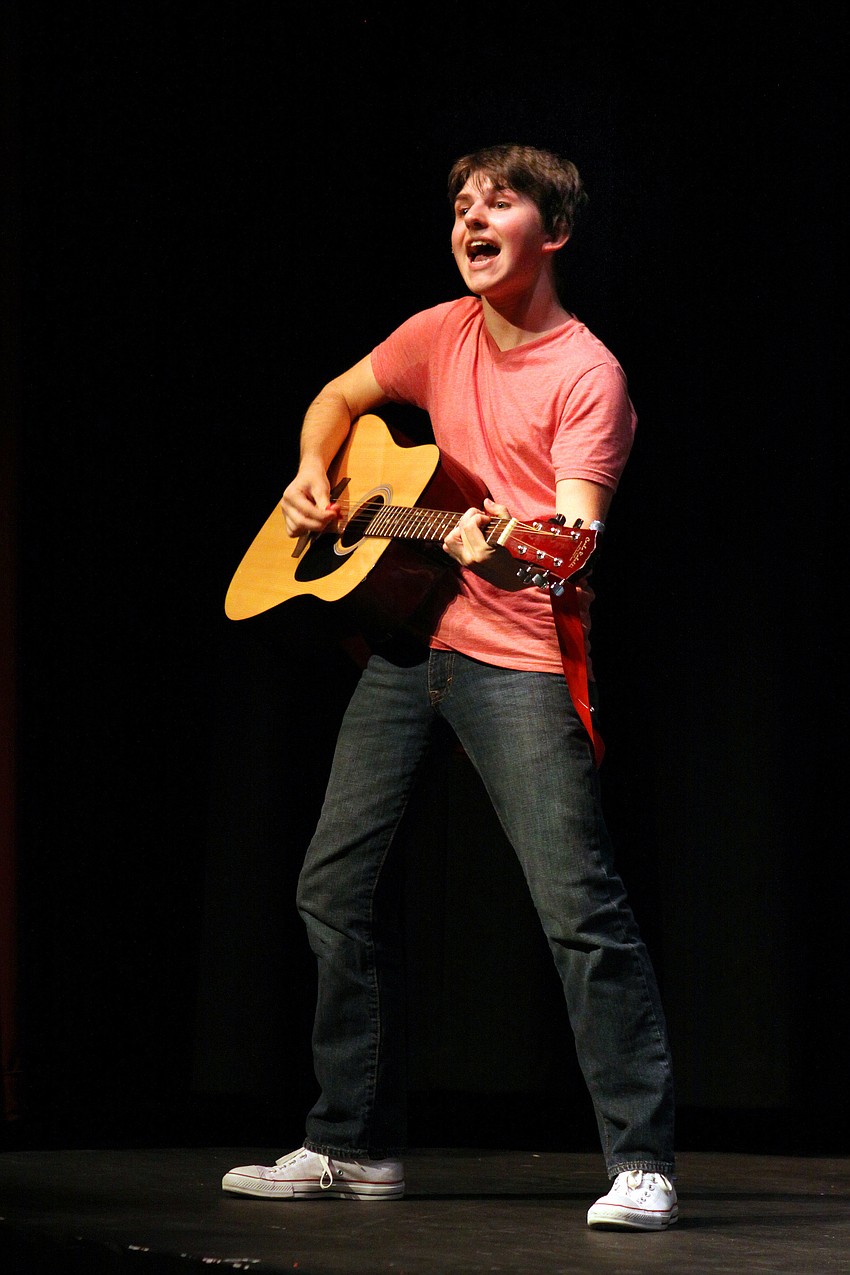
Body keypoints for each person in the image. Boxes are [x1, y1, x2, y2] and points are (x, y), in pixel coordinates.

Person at [222, 143, 677, 1230]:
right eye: (461, 205)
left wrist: (507, 550)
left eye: (500, 201)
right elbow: (339, 397)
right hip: (408, 645)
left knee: (577, 908)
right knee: (331, 888)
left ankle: (642, 1160)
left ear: (551, 233)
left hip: (516, 652)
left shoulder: (587, 376)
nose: (472, 217)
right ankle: (351, 1145)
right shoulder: (438, 332)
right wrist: (316, 474)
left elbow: (569, 540)